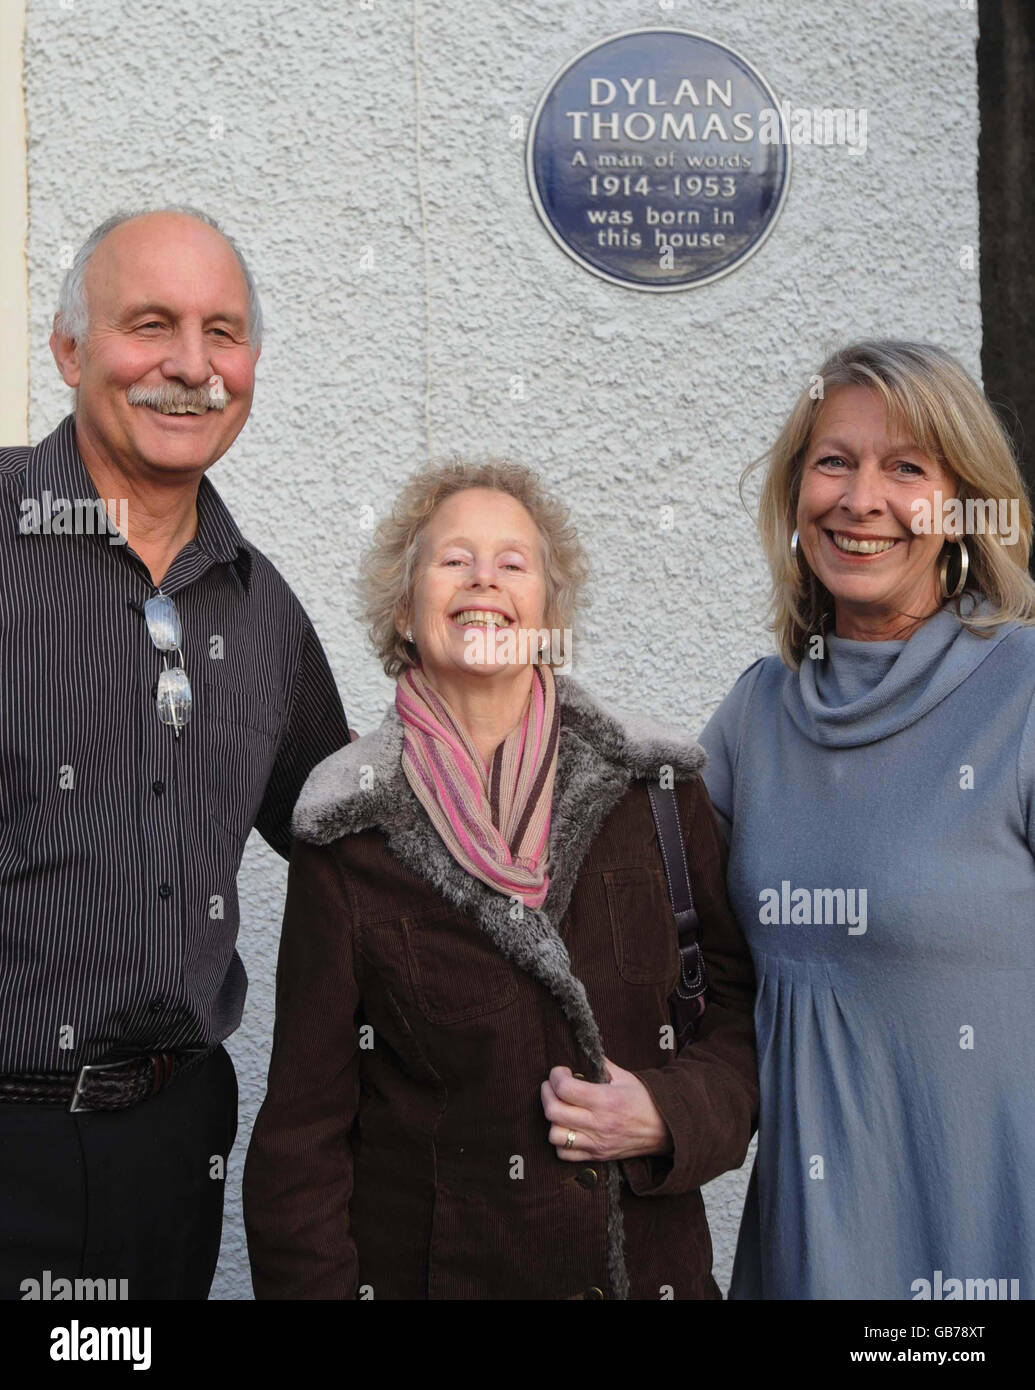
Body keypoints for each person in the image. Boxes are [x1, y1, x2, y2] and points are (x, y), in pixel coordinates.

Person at [242, 461, 758, 1299]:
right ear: (404, 610)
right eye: (452, 560)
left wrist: (672, 1111)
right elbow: (304, 1134)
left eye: (513, 563)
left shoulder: (656, 789)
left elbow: (739, 1010)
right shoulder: (346, 827)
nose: (483, 577)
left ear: (549, 614)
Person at [0, 207, 350, 1300]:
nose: (190, 367)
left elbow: (350, 832)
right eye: (150, 325)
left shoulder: (263, 610)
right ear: (69, 348)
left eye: (222, 332)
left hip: (172, 1148)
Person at [700, 339, 1035, 1300]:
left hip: (988, 1242)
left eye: (906, 469)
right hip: (815, 1244)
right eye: (833, 461)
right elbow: (660, 937)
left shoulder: (1018, 690)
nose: (860, 500)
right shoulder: (755, 715)